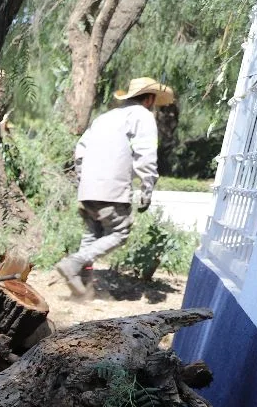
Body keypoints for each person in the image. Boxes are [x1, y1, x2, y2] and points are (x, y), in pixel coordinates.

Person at [54, 76, 174, 298]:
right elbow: (145, 154)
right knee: (119, 233)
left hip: (88, 188)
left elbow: (80, 150)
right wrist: (147, 189)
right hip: (112, 190)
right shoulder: (142, 116)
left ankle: (82, 288)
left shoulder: (104, 118)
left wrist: (85, 181)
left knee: (93, 233)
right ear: (148, 99)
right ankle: (75, 263)